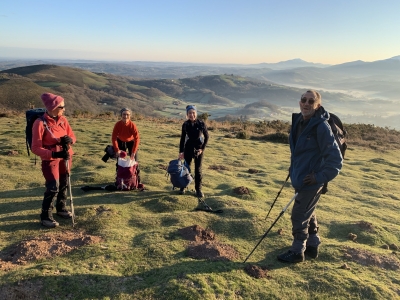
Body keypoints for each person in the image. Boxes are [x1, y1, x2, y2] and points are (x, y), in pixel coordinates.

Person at [277, 90, 343, 263]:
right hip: (301, 177)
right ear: (299, 102)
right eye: (303, 100)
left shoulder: (321, 127)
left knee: (299, 215)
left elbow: (336, 161)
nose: (306, 103)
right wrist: (294, 169)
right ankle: (312, 245)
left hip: (311, 181)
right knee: (308, 211)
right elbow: (299, 152)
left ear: (317, 105)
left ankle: (298, 251)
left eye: (311, 101)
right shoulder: (299, 121)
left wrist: (318, 177)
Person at [31, 93, 76, 228]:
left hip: (66, 157)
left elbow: (73, 136)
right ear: (53, 107)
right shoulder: (40, 123)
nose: (64, 109)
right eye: (62, 107)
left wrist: (70, 140)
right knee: (53, 187)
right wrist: (54, 155)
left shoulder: (63, 120)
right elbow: (35, 147)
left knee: (64, 183)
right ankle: (45, 216)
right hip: (50, 160)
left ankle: (61, 208)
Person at [179, 105, 209, 198]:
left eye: (193, 113)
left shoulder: (201, 123)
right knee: (186, 168)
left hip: (199, 149)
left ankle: (198, 190)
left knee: (198, 170)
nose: (191, 115)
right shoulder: (185, 124)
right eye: (189, 113)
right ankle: (183, 186)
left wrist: (202, 149)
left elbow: (207, 137)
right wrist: (181, 151)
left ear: (196, 113)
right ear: (187, 114)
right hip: (188, 148)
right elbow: (183, 138)